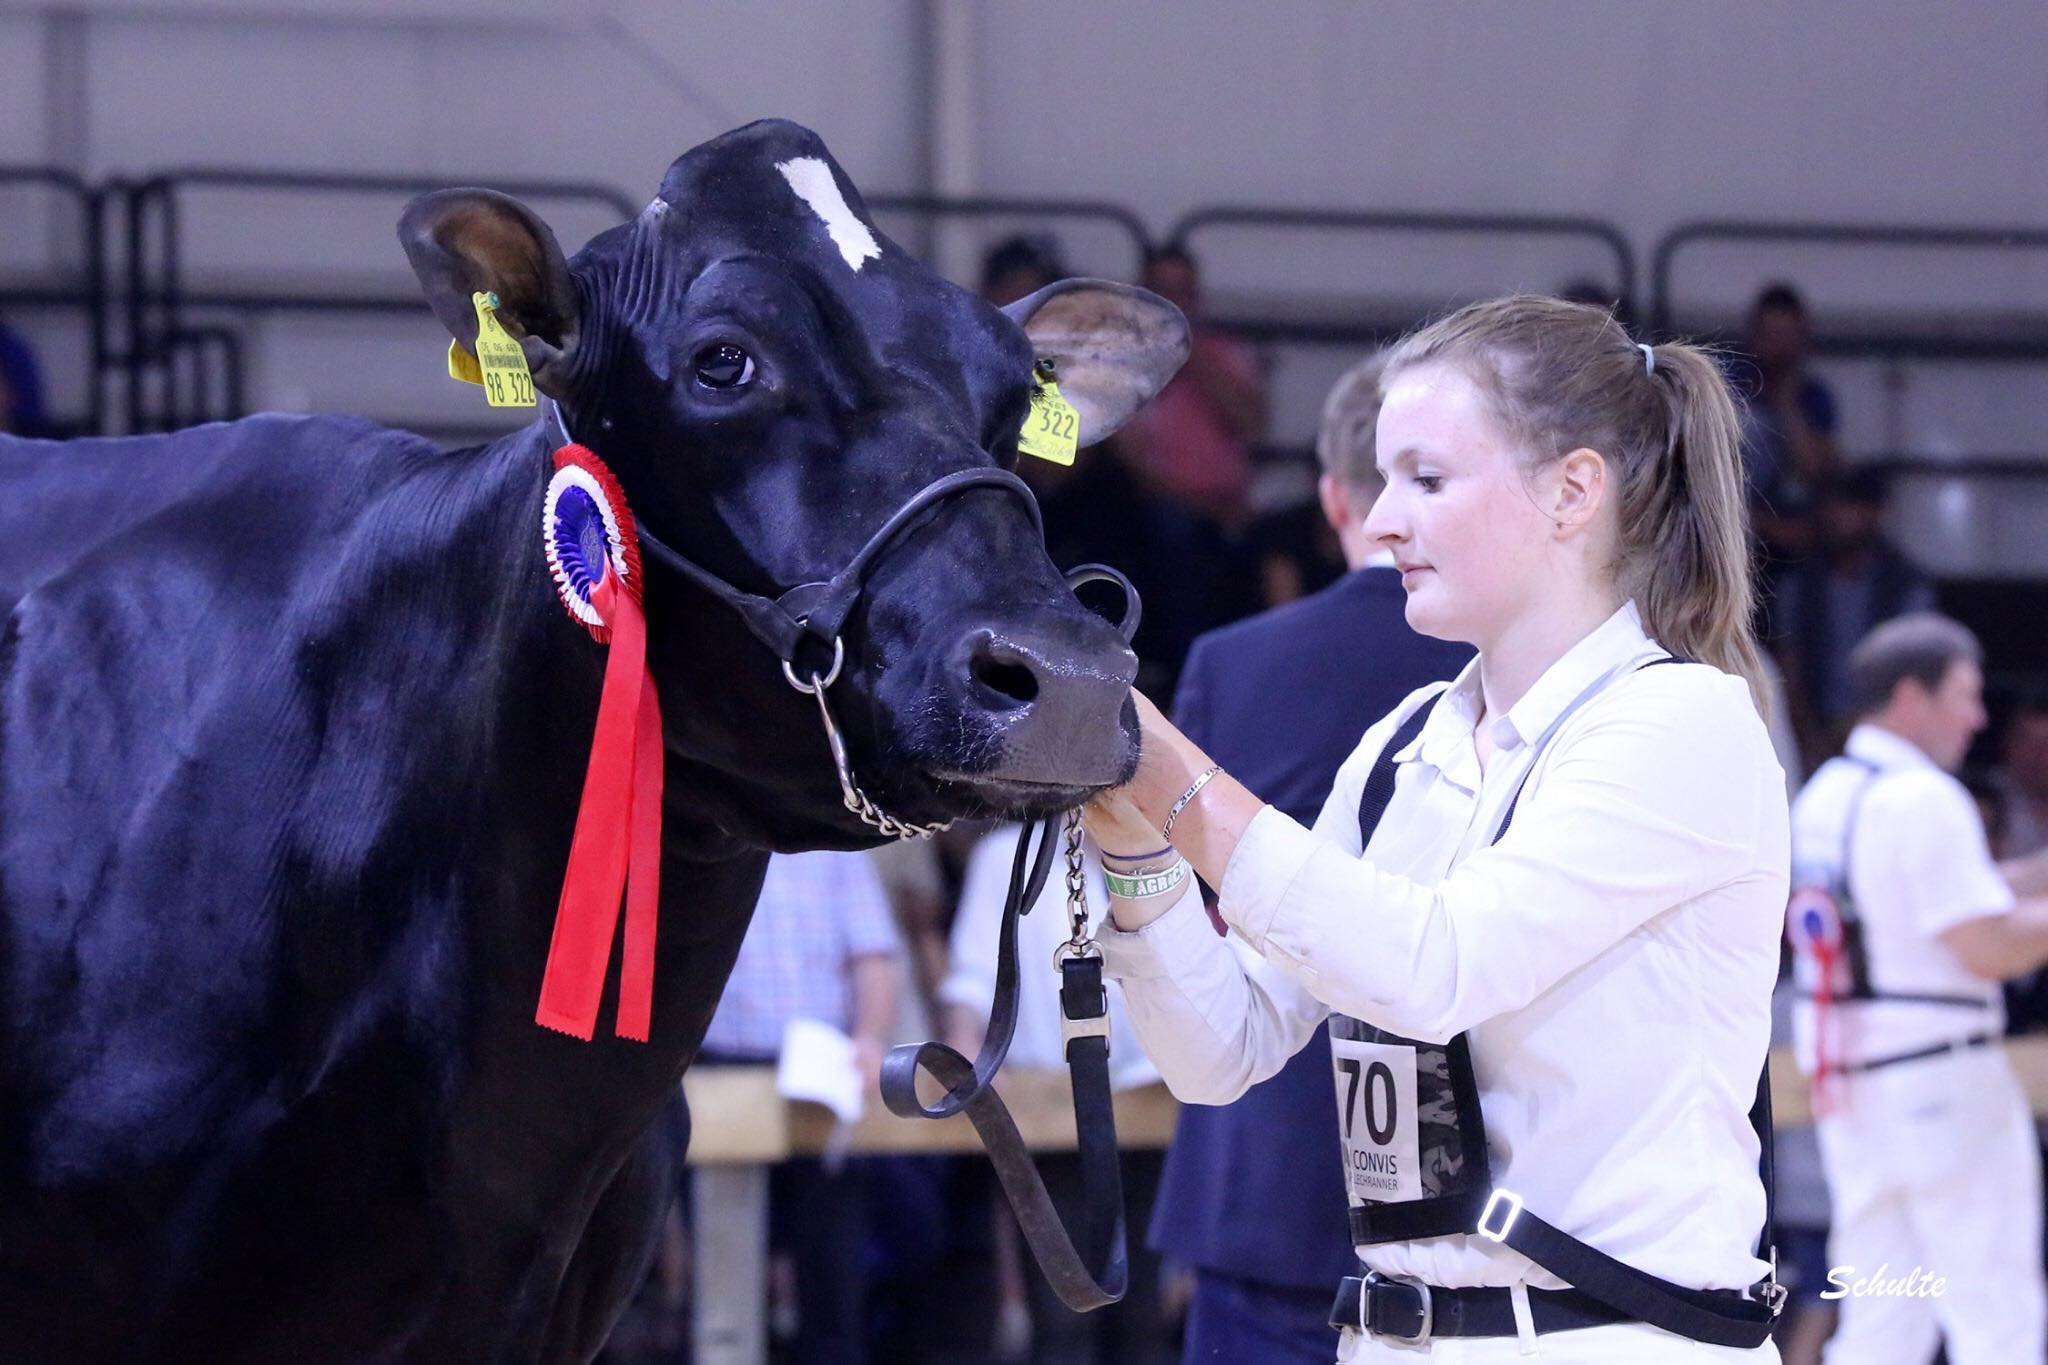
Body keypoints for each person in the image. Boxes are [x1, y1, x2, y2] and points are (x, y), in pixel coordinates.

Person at [1082, 295, 1790, 1362]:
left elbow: (1431, 965)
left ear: (1571, 492)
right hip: (1390, 1335)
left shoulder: (1678, 723)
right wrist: (1131, 839)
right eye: (1383, 479)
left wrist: (1170, 766)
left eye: (1425, 478)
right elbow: (1220, 1050)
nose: (1379, 523)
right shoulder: (1405, 743)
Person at [1149, 352, 1471, 1365]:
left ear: (1333, 494)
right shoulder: (1515, 665)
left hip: (1267, 1165)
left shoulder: (1232, 664)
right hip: (1481, 1180)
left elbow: (1197, 905)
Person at [1785, 613, 2048, 1365]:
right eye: (1965, 695)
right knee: (1994, 1309)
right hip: (1943, 1081)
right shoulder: (1923, 796)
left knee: (1882, 1319)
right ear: (1911, 695)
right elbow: (1987, 944)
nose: (1978, 716)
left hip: (1859, 1091)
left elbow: (1947, 900)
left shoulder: (1827, 794)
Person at [942, 827, 1165, 1365]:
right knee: (1063, 1315)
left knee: (1143, 1315)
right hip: (1049, 1113)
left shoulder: (1157, 852)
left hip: (1153, 1106)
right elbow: (970, 982)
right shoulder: (1006, 857)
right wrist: (971, 1052)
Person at [696, 849, 904, 1364]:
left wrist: (872, 1038)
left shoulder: (834, 843)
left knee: (832, 1269)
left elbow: (873, 953)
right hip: (722, 1067)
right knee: (725, 1272)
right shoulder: (713, 828)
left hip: (825, 1070)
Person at [1775, 469, 1935, 762]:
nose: (1835, 517)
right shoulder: (1801, 585)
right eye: (1829, 506)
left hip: (1887, 734)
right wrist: (1810, 739)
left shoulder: (1904, 585)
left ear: (1877, 511)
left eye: (1848, 506)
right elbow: (1789, 672)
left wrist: (1867, 728)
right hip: (1811, 738)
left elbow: (1914, 672)